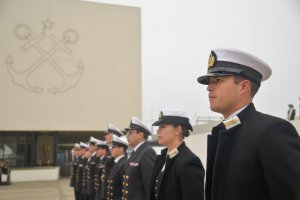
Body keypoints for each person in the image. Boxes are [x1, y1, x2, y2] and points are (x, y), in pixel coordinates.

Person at [197, 48, 300, 200]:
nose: (208, 87)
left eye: (217, 80)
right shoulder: (222, 132)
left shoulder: (272, 132)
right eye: (209, 82)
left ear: (243, 87)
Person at [149, 109, 205, 200]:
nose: (158, 131)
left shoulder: (189, 162)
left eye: (162, 126)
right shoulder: (163, 158)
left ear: (177, 130)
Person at [123, 117, 157, 200]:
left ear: (140, 135)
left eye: (130, 133)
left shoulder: (147, 152)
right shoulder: (136, 152)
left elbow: (150, 186)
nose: (127, 136)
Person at [107, 135, 128, 200]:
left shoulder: (124, 164)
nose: (111, 150)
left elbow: (125, 188)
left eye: (113, 147)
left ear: (121, 149)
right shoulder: (116, 163)